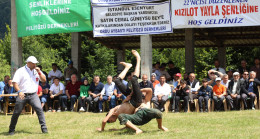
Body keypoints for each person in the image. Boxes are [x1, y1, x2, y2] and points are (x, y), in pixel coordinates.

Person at [97, 50, 152, 132]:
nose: (111, 121)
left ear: (109, 115)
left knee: (117, 81)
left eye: (110, 120)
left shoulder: (113, 111)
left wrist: (102, 129)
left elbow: (104, 121)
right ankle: (133, 63)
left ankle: (134, 62)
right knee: (133, 80)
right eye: (110, 122)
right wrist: (115, 129)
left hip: (131, 98)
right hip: (136, 100)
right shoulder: (120, 117)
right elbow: (127, 125)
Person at [9, 56, 48, 135]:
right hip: (22, 94)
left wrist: (39, 72)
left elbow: (44, 80)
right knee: (17, 112)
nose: (35, 65)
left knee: (39, 110)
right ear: (28, 63)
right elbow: (14, 83)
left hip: (33, 94)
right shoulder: (20, 71)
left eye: (35, 63)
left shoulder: (37, 71)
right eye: (33, 63)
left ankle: (44, 130)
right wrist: (19, 92)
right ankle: (11, 130)